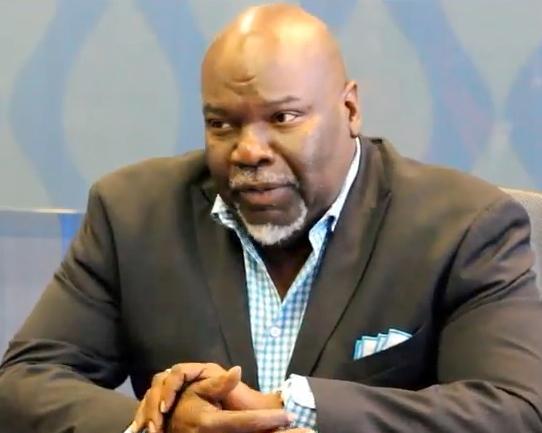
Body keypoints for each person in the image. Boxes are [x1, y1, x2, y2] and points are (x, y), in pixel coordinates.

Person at [1, 3, 542, 433]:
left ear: (350, 109)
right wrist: (158, 423)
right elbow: (23, 382)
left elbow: (514, 408)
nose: (248, 151)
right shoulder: (133, 214)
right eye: (222, 124)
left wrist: (294, 406)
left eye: (283, 117)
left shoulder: (463, 227)